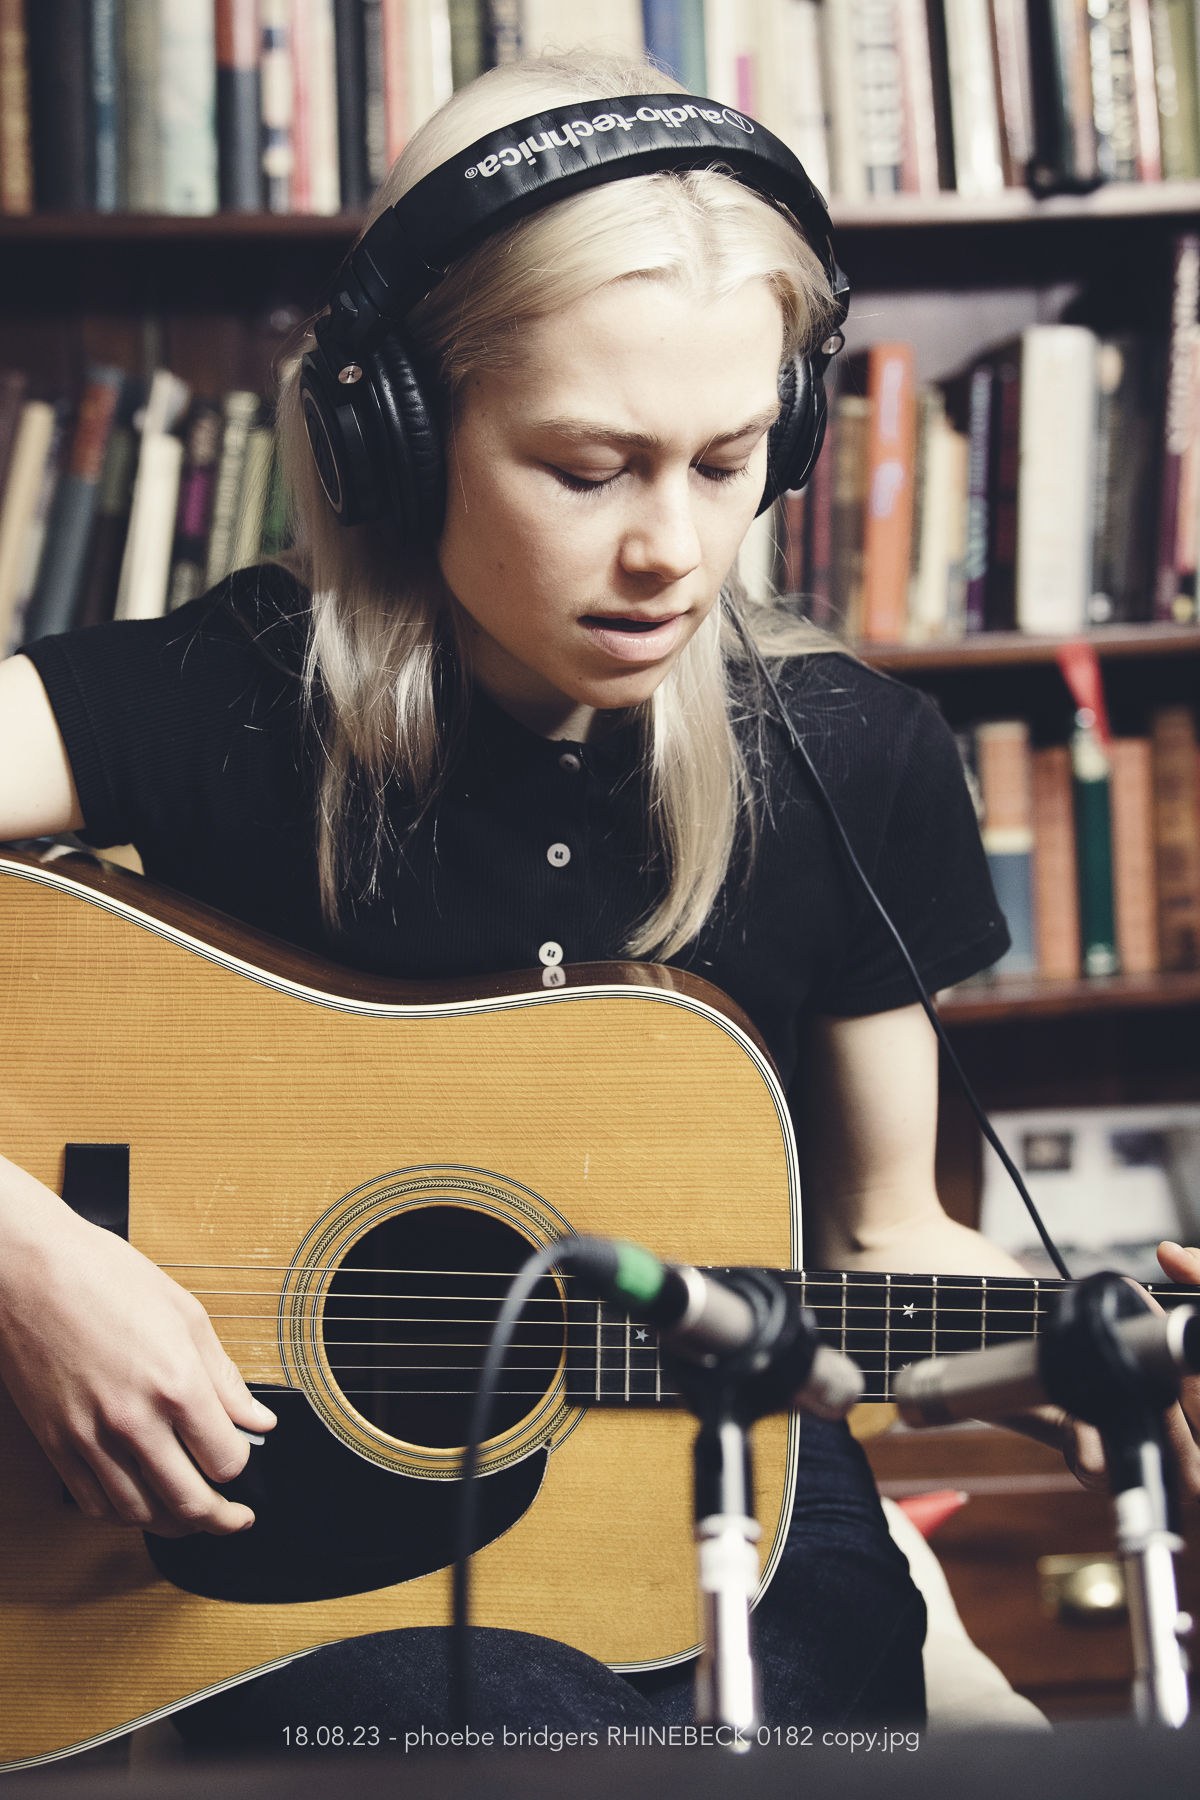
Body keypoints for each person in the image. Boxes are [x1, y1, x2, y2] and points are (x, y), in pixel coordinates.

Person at [1, 48, 1197, 1749]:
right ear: (390, 442)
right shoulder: (221, 695)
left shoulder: (853, 761)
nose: (673, 554)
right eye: (588, 468)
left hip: (737, 1532)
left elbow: (881, 1243)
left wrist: (1091, 1357)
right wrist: (26, 1251)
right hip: (297, 1597)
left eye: (725, 463)